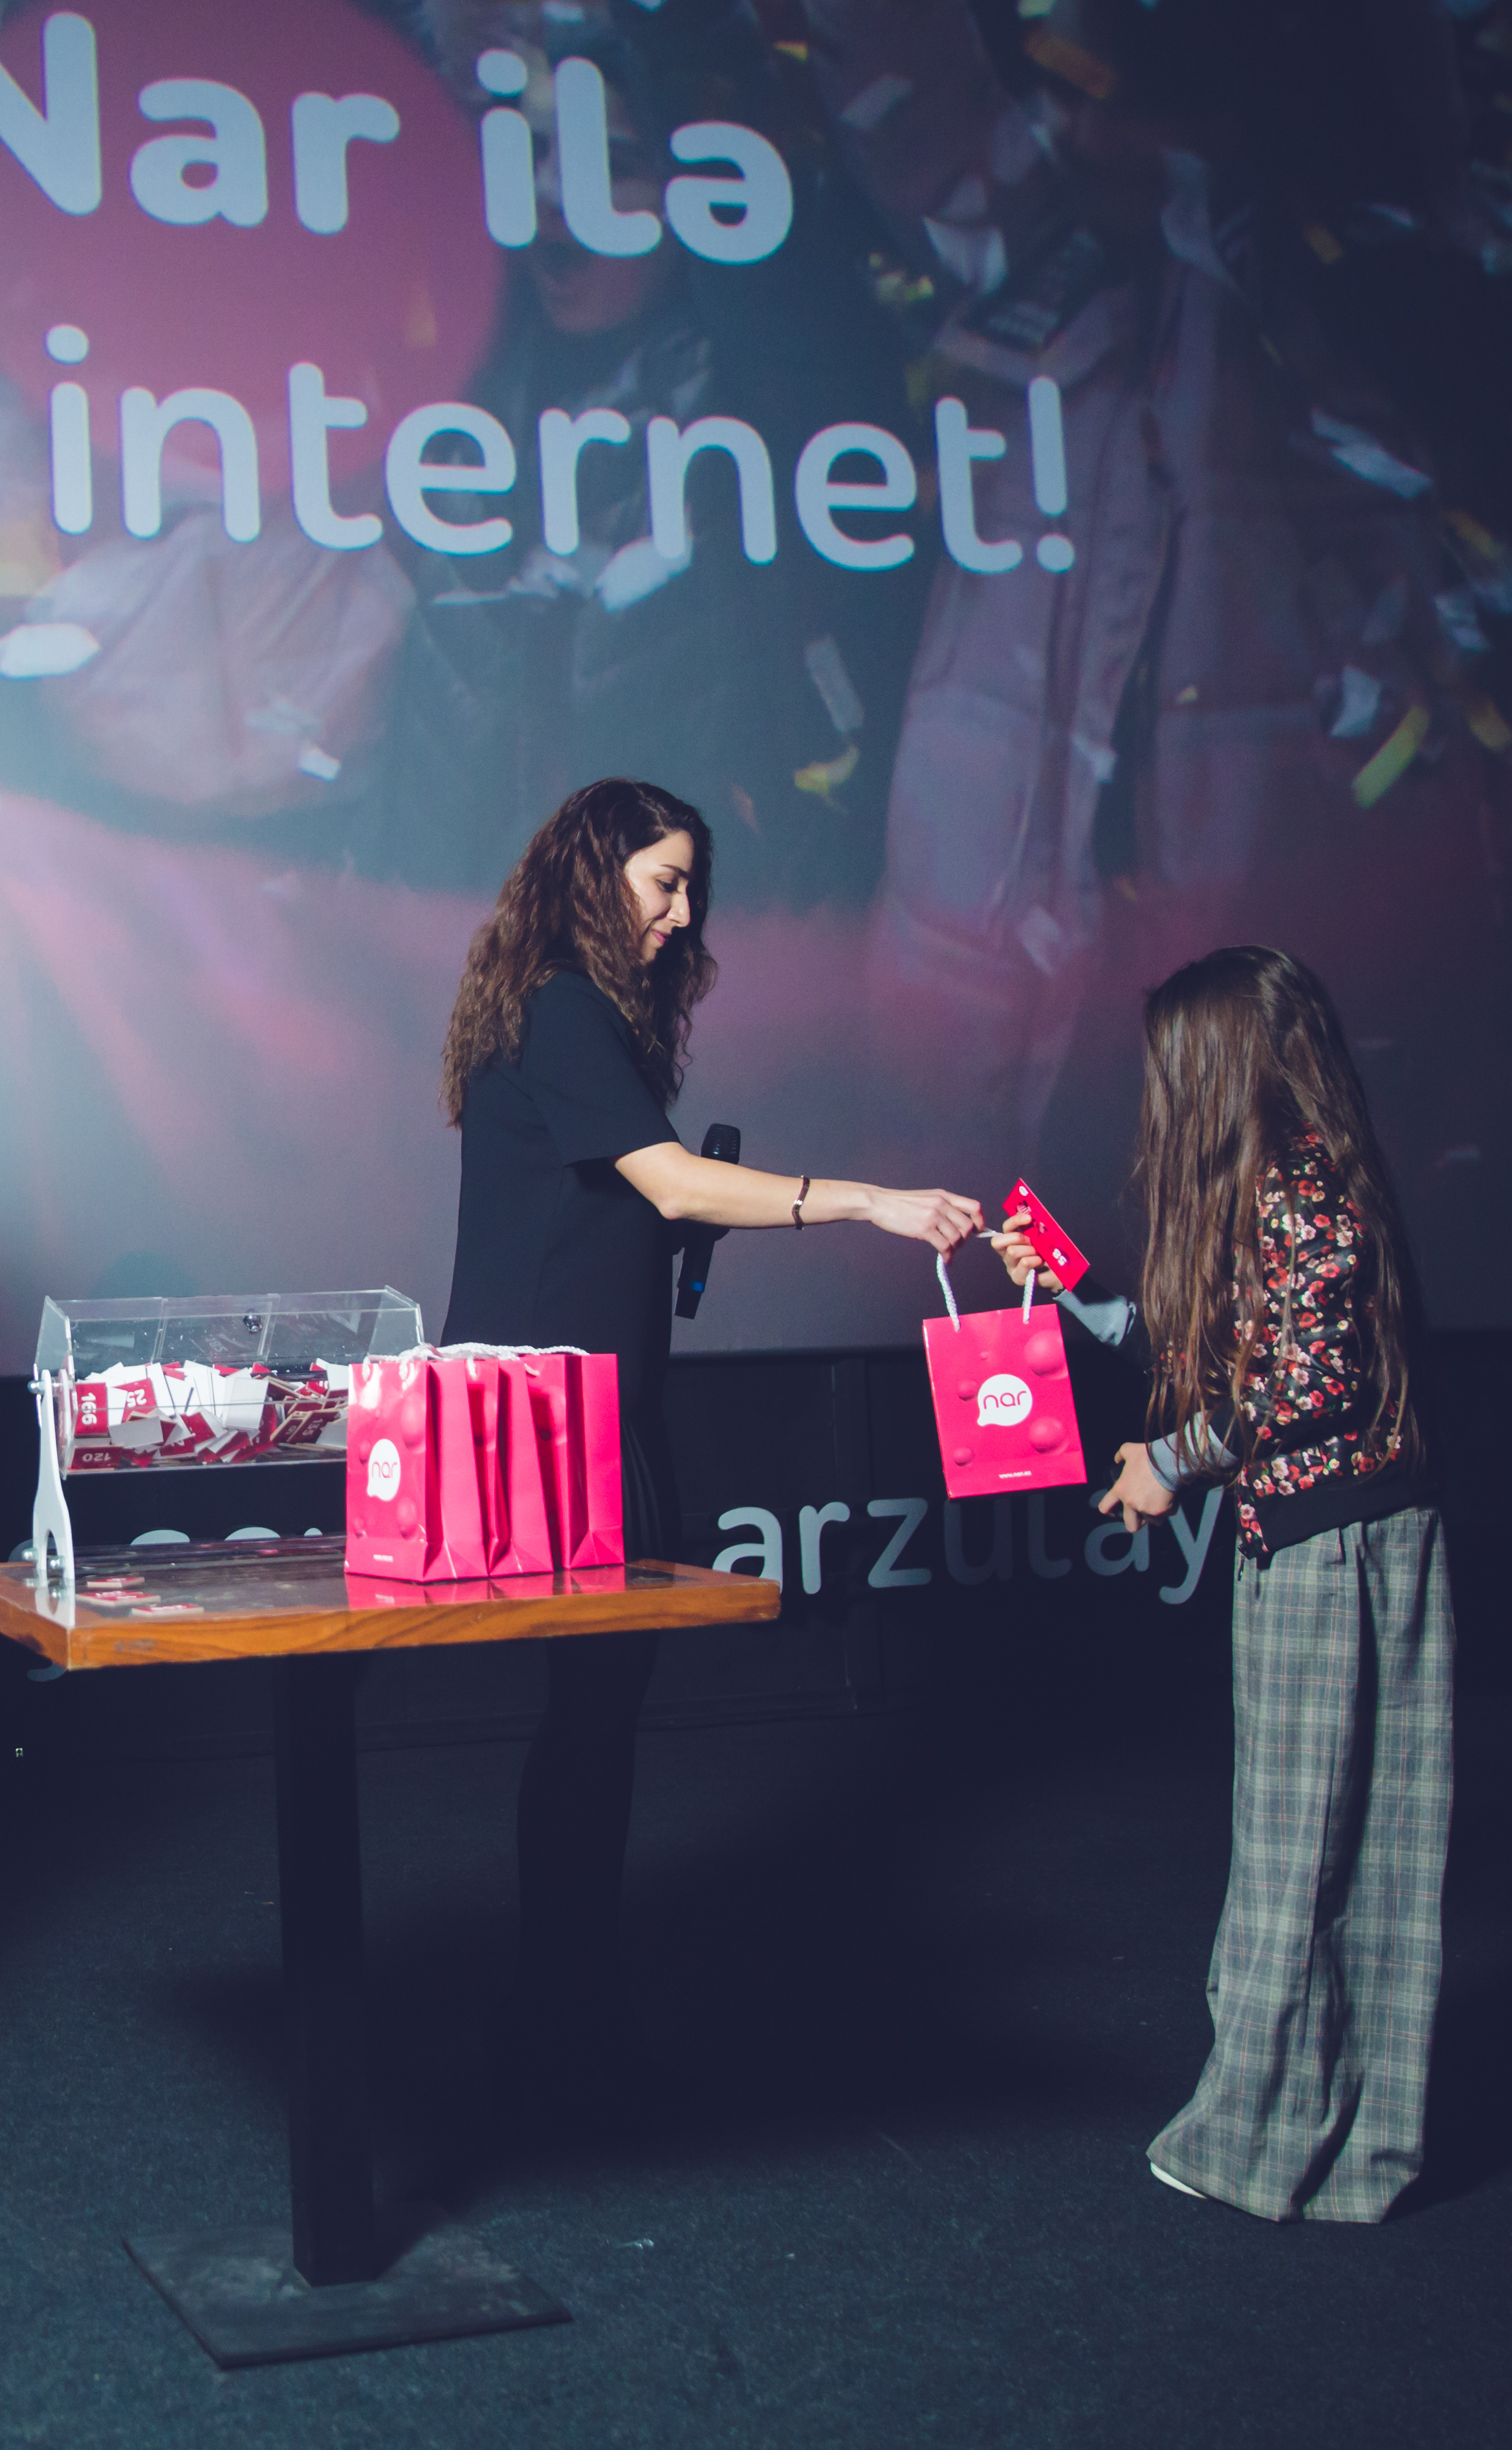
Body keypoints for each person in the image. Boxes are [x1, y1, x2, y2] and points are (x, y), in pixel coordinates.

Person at [435, 775, 978, 2104]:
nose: (683, 917)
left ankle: (566, 2011)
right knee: (593, 1714)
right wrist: (873, 1202)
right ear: (594, 875)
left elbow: (628, 1209)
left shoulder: (565, 1011)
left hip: (582, 1405)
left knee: (597, 1715)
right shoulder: (564, 1004)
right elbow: (670, 1183)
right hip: (552, 1420)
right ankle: (560, 2020)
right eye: (664, 884)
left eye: (692, 890)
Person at [996, 944, 1450, 2222]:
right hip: (1316, 1540)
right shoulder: (1286, 1186)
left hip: (1338, 1548)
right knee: (1325, 1851)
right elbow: (1214, 1349)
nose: (1156, 1087)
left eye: (1169, 1063)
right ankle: (1326, 2143)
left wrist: (1169, 1466)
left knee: (1317, 1856)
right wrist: (1074, 1292)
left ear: (1219, 1064)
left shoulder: (1307, 1193)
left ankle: (1272, 2142)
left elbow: (1304, 1391)